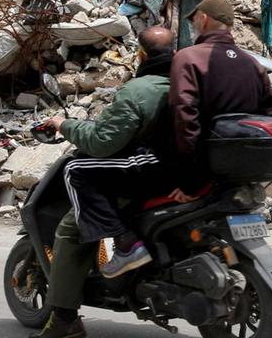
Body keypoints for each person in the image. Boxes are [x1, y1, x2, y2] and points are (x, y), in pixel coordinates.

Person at [30, 26, 184, 338]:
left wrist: (65, 124)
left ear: (140, 56)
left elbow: (103, 143)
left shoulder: (139, 90)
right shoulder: (189, 83)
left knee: (74, 191)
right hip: (186, 174)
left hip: (150, 172)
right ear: (175, 53)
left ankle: (65, 320)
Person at [169, 0, 272, 183]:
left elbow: (184, 113)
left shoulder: (188, 57)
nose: (193, 25)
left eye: (194, 19)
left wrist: (190, 176)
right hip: (248, 168)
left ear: (203, 19)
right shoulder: (252, 63)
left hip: (207, 168)